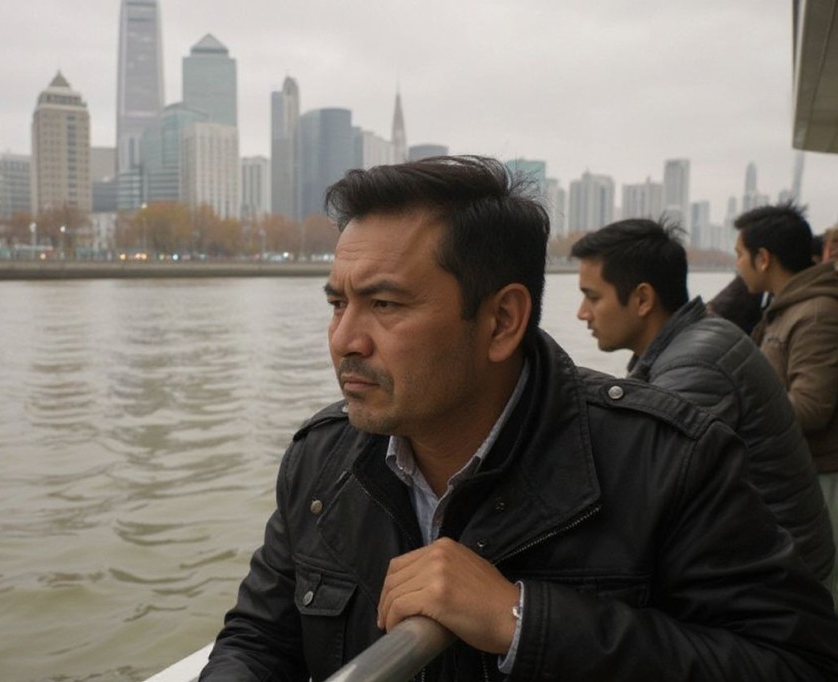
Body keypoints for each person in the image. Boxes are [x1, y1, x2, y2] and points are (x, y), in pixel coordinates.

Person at [200, 157, 838, 682]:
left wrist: (525, 620)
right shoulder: (322, 460)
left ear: (502, 321)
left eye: (385, 304)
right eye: (337, 303)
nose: (344, 340)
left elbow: (795, 663)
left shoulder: (667, 461)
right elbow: (257, 640)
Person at [570, 218, 833, 581]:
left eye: (593, 296)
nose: (582, 313)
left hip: (783, 584)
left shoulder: (695, 366)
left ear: (644, 299)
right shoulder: (697, 339)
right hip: (780, 558)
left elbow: (645, 492)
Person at [734, 202, 838, 597]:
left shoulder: (815, 314)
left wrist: (741, 413)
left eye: (740, 255)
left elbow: (812, 408)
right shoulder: (786, 309)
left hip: (823, 478)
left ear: (763, 259)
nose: (737, 265)